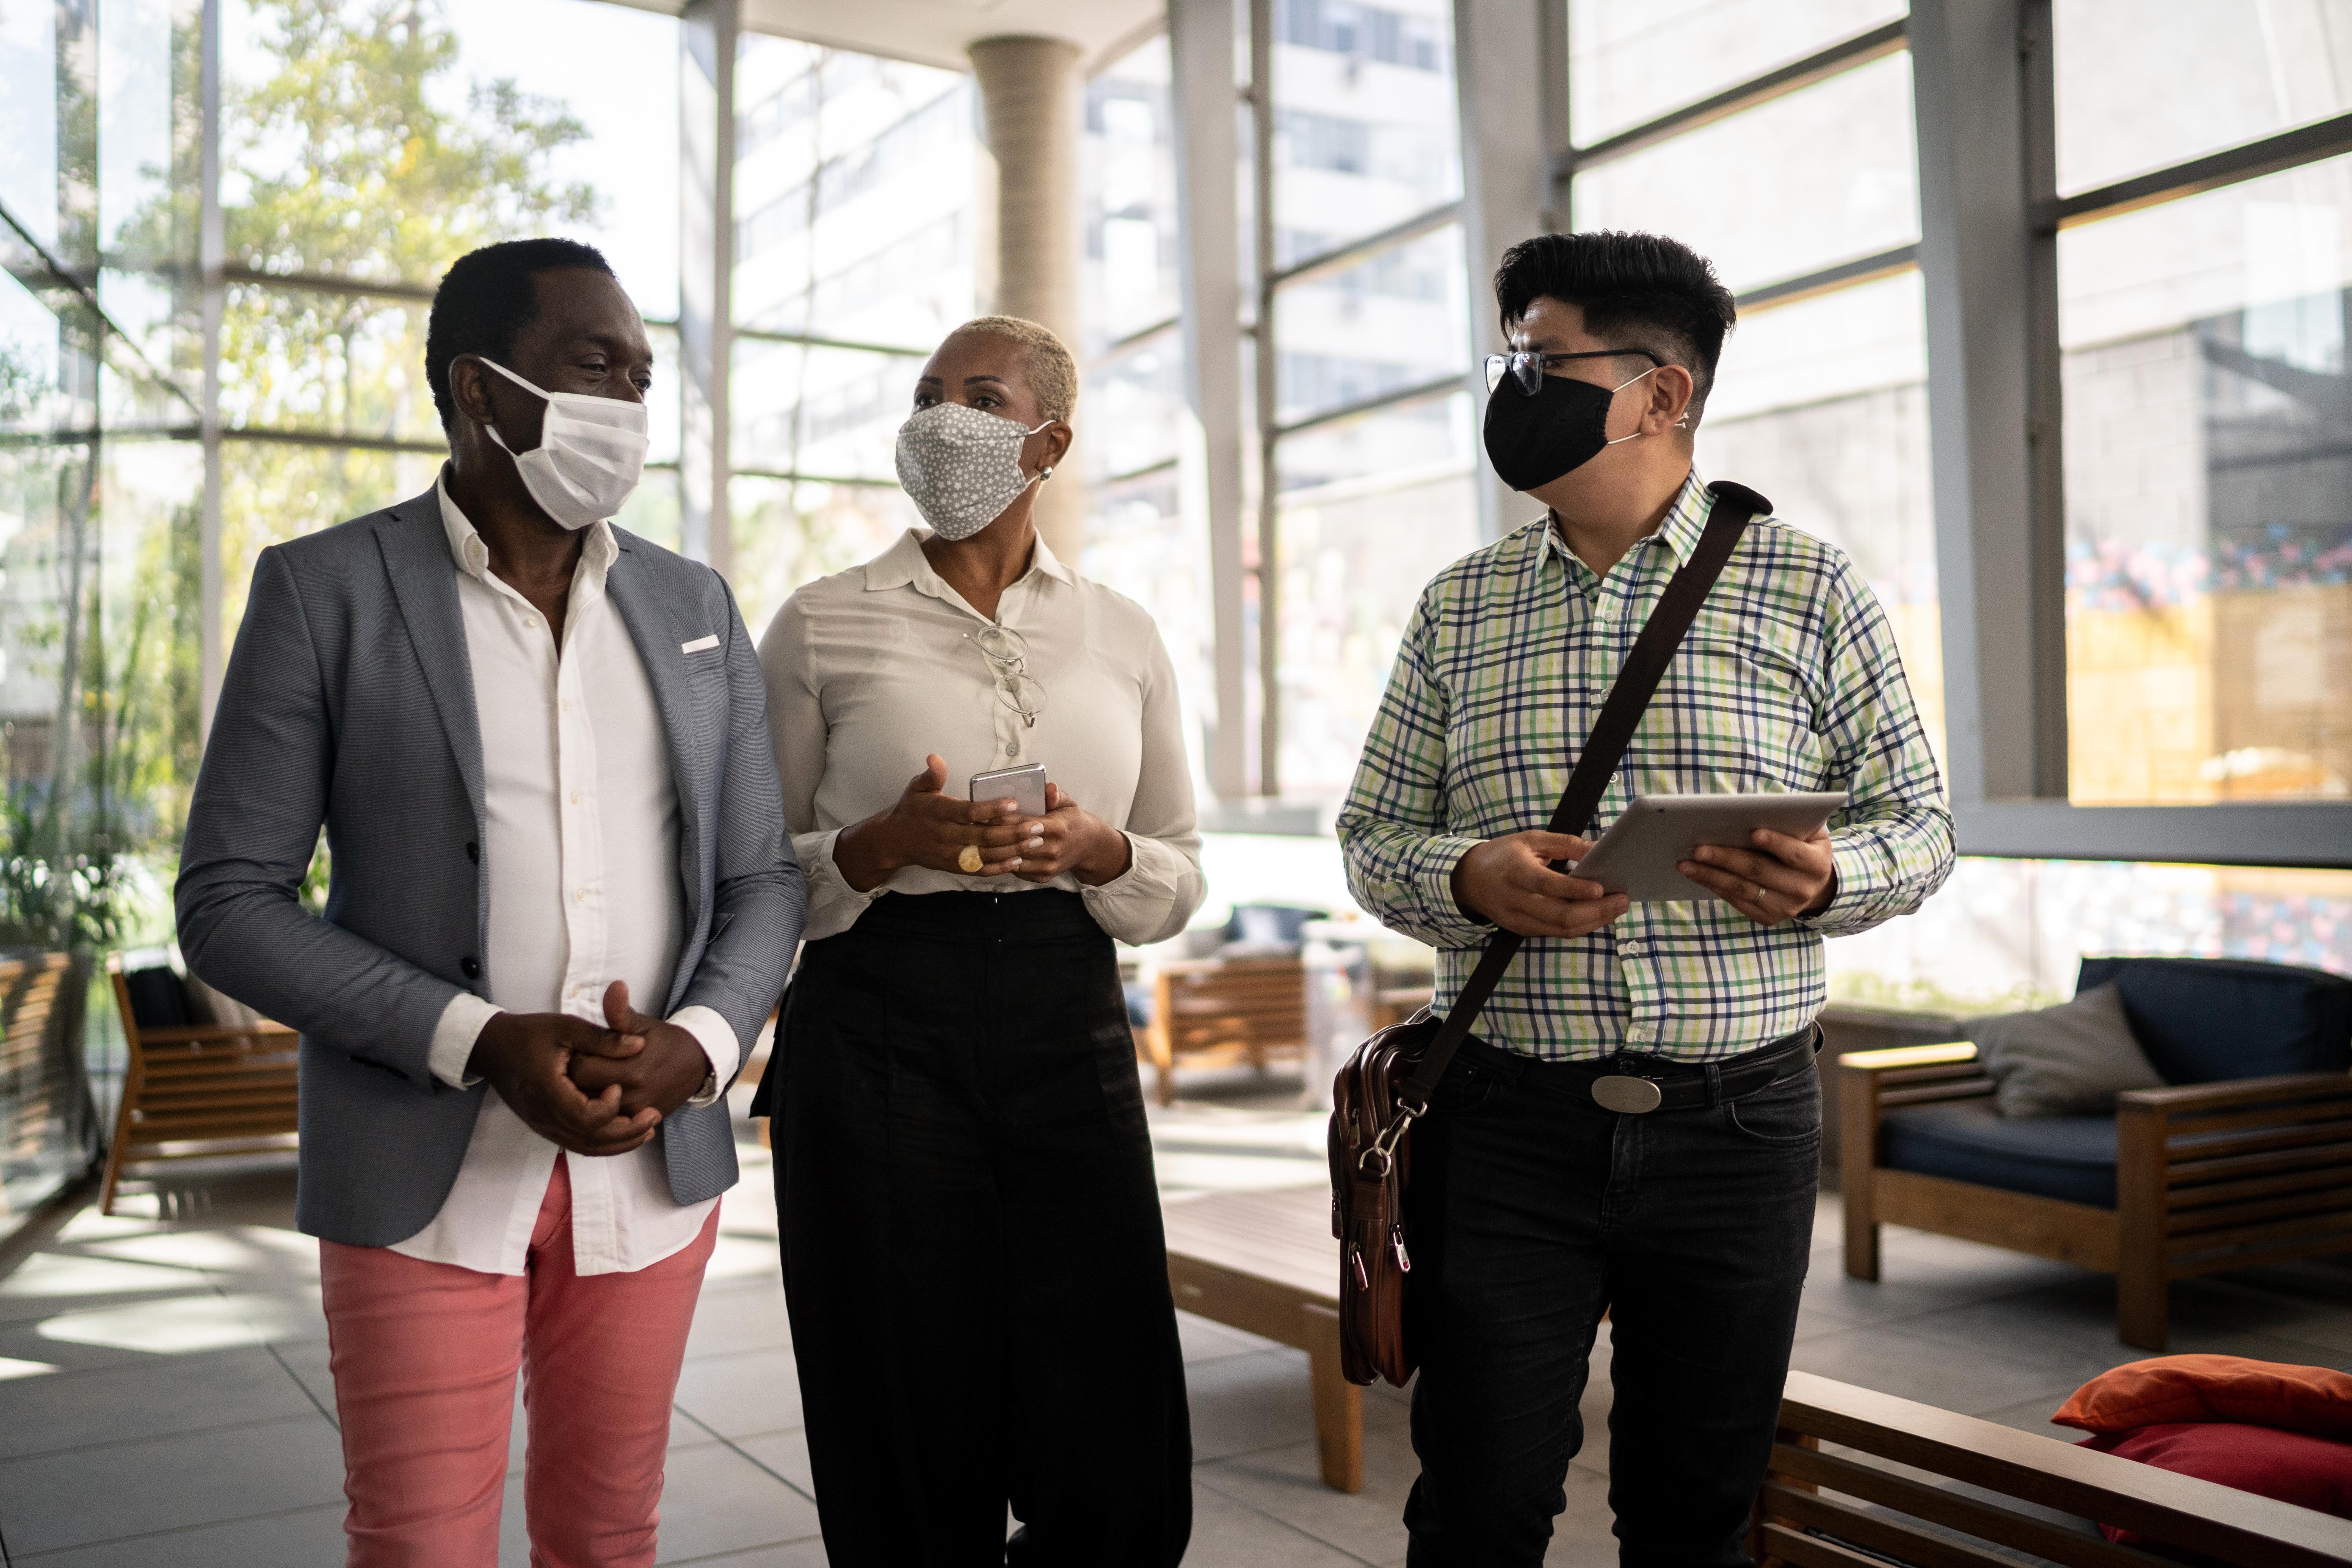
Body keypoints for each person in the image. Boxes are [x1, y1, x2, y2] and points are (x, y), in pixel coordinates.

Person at [175, 238, 804, 1568]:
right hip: (421, 1162)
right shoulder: (325, 588)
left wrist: (701, 1042)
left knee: (608, 1539)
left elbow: (761, 880)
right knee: (419, 1548)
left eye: (643, 377)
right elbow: (230, 901)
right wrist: (477, 1038)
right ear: (481, 388)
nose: (629, 405)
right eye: (596, 367)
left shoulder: (695, 607)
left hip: (652, 1167)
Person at [1336, 231, 1954, 1566]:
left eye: (1540, 360)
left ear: (1660, 394)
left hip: (1739, 1126)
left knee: (1697, 1510)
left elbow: (1924, 824)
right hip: (1506, 1121)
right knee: (1477, 1504)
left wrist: (1837, 877)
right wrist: (1464, 874)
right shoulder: (1460, 607)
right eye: (1508, 360)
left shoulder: (1813, 587)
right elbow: (1371, 834)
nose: (1513, 387)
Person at [758, 315, 1201, 1566]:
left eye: (980, 396)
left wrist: (1100, 853)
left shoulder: (1123, 633)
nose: (941, 416)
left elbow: (1178, 866)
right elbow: (749, 876)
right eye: (925, 392)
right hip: (878, 1017)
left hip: (1069, 1012)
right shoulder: (818, 622)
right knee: (898, 1386)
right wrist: (880, 845)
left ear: (1049, 442)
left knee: (1104, 1388)